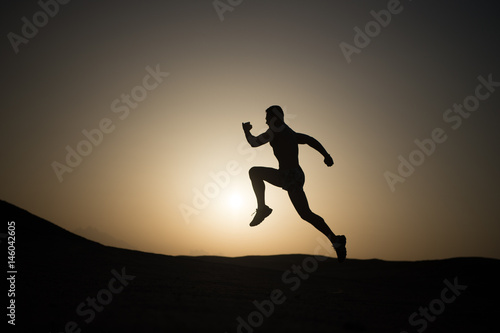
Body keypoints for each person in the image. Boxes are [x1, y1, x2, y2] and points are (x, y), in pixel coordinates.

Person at [242, 105, 346, 262]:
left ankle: (262, 209)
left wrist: (246, 130)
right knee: (306, 214)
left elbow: (254, 143)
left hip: (289, 176)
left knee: (305, 213)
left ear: (275, 118)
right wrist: (326, 155)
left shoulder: (275, 131)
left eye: (267, 117)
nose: (265, 120)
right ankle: (335, 240)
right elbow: (309, 140)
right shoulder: (289, 132)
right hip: (292, 175)